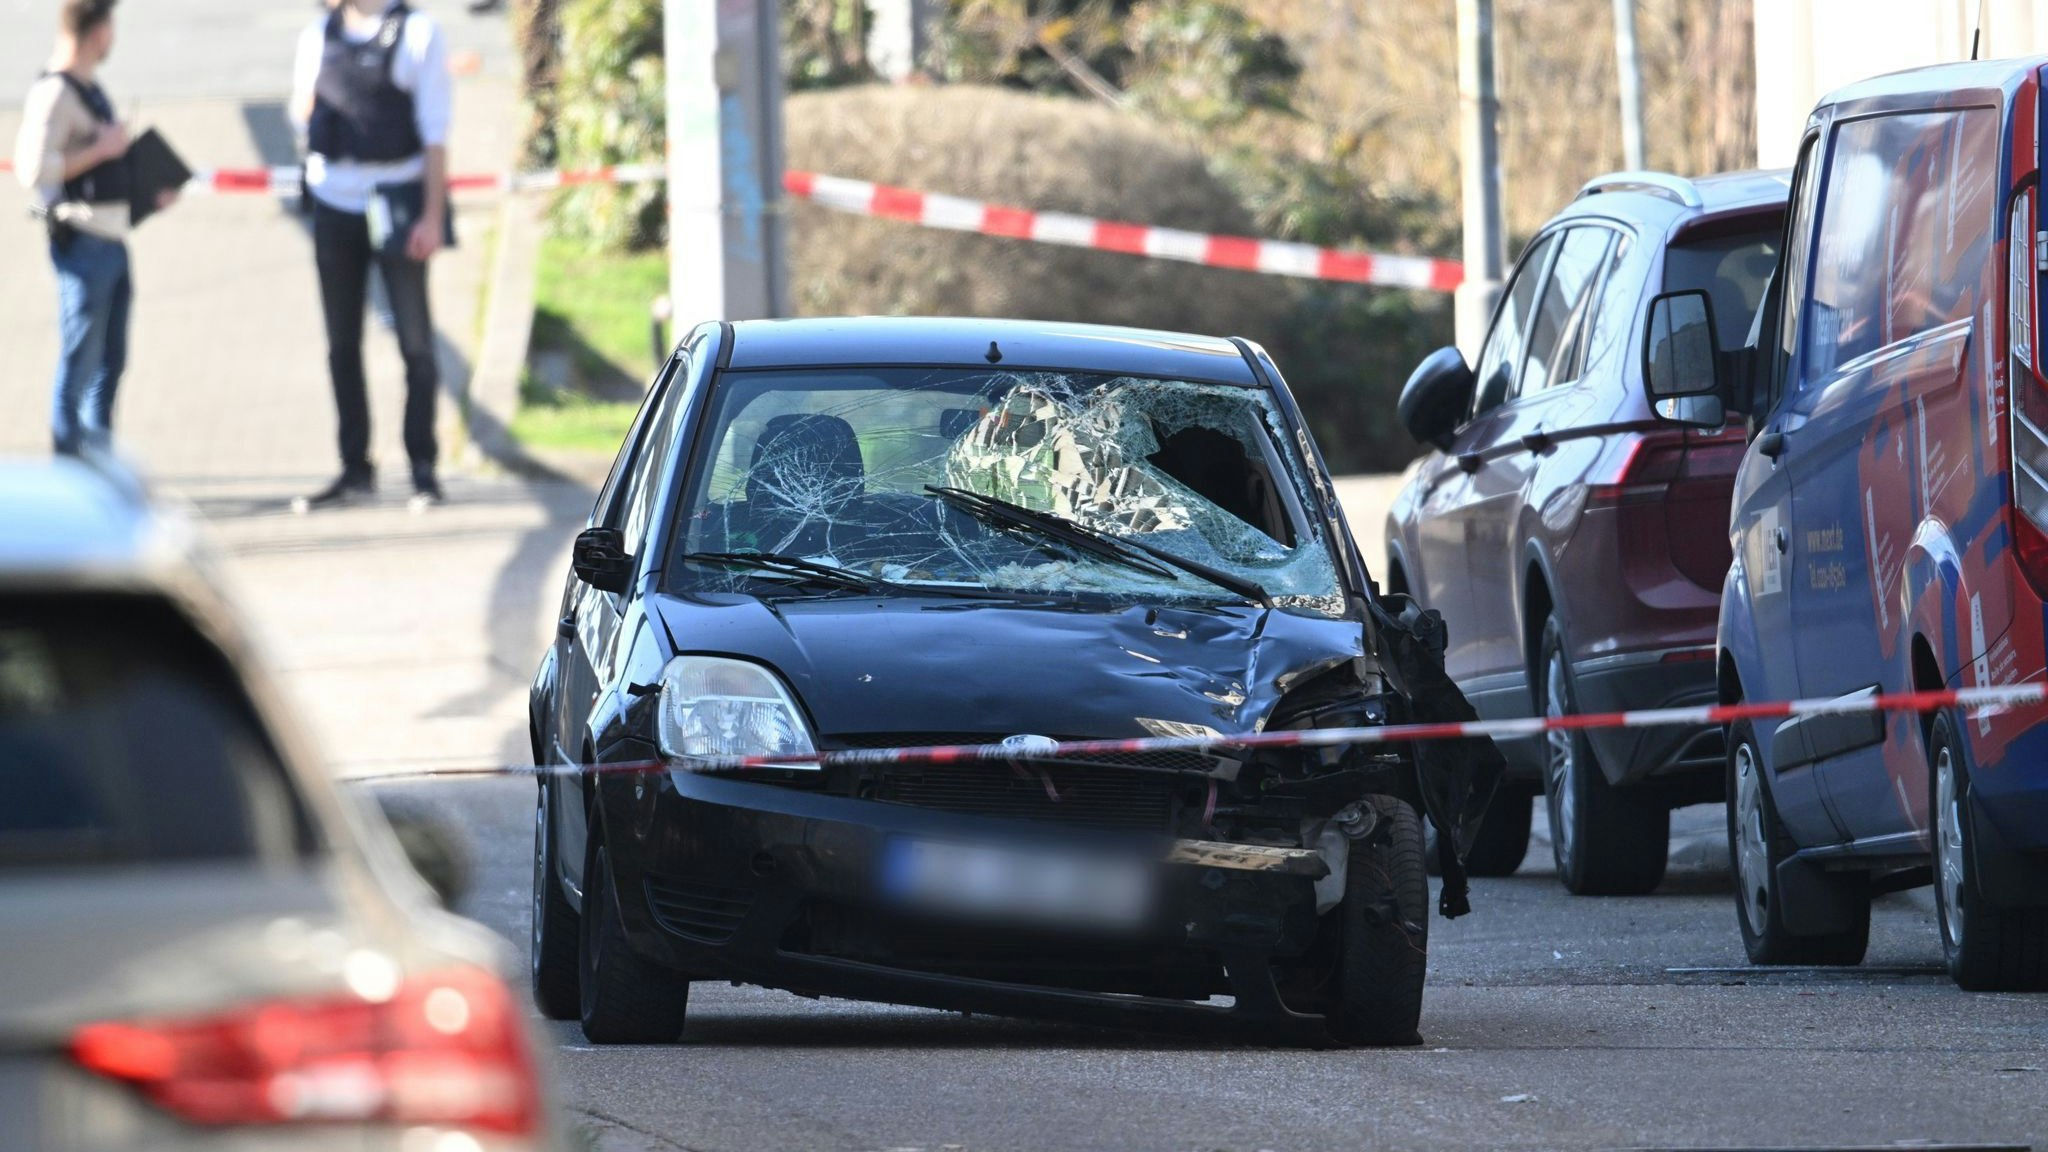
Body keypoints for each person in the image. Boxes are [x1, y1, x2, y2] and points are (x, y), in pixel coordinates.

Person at [289, 0, 452, 512]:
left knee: (416, 343)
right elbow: (302, 112)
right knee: (341, 344)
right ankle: (354, 468)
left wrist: (431, 216)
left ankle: (423, 468)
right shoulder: (319, 35)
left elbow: (435, 133)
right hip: (333, 203)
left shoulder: (419, 33)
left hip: (398, 201)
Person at [13, 0, 173, 456]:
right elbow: (31, 169)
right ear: (99, 31)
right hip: (84, 248)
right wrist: (101, 150)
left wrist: (145, 192)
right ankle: (70, 471)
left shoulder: (86, 88)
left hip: (112, 243)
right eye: (112, 27)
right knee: (79, 366)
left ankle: (98, 467)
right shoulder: (55, 94)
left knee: (110, 364)